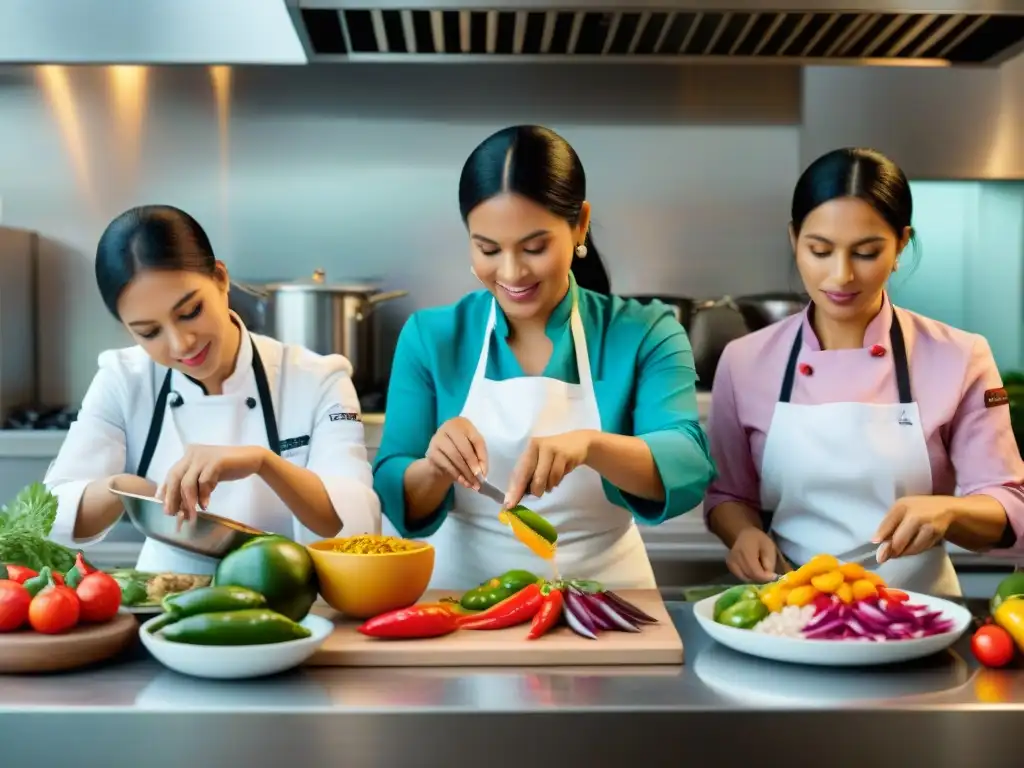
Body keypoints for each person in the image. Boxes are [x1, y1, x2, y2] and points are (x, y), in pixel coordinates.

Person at [372, 124, 715, 590]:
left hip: (609, 601)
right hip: (463, 605)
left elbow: (687, 464)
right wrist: (434, 468)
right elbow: (395, 493)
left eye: (534, 248)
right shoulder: (431, 337)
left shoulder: (646, 331)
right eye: (488, 249)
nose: (511, 273)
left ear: (580, 224)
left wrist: (591, 446)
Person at [704, 147, 1024, 596]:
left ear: (901, 245)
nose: (841, 276)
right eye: (820, 250)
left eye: (867, 252)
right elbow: (728, 497)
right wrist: (743, 534)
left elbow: (1010, 503)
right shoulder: (744, 361)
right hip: (790, 607)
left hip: (918, 611)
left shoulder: (960, 356)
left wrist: (948, 513)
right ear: (795, 239)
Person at [45, 205, 381, 573]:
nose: (181, 343)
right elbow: (52, 514)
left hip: (290, 603)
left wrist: (263, 462)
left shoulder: (319, 379)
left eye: (190, 311)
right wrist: (127, 490)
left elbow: (358, 523)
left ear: (221, 279)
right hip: (163, 604)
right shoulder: (122, 378)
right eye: (149, 332)